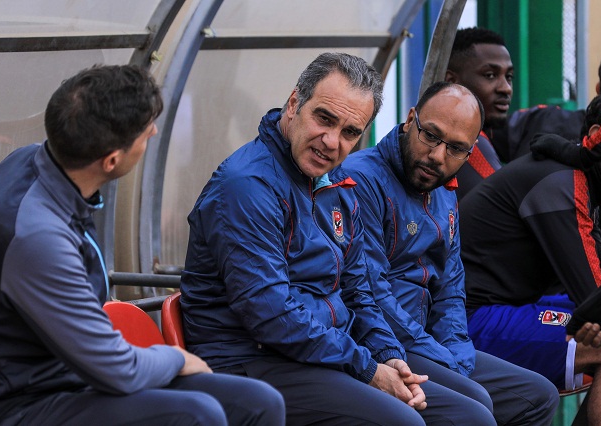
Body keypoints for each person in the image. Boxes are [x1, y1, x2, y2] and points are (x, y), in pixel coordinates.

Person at [0, 65, 285, 426]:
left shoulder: (35, 161)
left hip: (68, 373)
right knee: (198, 415)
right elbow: (116, 369)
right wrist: (177, 358)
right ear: (111, 160)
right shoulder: (37, 238)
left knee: (259, 403)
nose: (153, 131)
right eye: (145, 132)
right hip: (13, 402)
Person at [180, 52, 428, 426]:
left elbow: (358, 290)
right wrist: (366, 368)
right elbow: (271, 314)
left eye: (350, 132)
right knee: (402, 421)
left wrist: (388, 355)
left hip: (322, 353)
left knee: (469, 410)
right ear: (295, 103)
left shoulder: (337, 182)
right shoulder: (247, 186)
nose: (331, 142)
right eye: (324, 119)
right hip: (248, 361)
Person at [343, 81, 560, 425]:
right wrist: (443, 357)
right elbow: (370, 292)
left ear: (471, 152)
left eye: (457, 148)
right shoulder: (361, 179)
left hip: (429, 342)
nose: (438, 156)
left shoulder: (443, 188)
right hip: (382, 340)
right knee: (475, 407)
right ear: (410, 119)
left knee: (538, 396)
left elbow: (451, 285)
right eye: (431, 135)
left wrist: (457, 351)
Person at [460, 90, 601, 425]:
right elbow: (595, 295)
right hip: (468, 321)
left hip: (508, 309)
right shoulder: (564, 182)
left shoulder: (586, 180)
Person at [445, 27, 512, 199]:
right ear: (452, 81)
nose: (506, 88)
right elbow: (505, 207)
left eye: (509, 77)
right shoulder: (467, 139)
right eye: (490, 75)